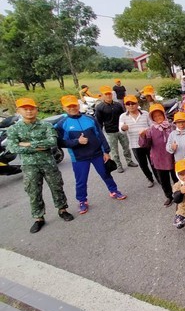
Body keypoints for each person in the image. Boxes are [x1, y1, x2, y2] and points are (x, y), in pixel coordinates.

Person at [7, 98, 74, 232]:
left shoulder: (46, 125)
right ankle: (38, 218)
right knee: (33, 191)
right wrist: (37, 145)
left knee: (56, 187)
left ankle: (62, 210)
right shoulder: (14, 129)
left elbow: (52, 142)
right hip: (29, 166)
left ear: (36, 110)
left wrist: (26, 143)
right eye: (25, 109)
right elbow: (13, 147)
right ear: (18, 111)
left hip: (48, 163)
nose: (29, 111)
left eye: (31, 108)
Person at [55, 95, 127, 215]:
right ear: (64, 108)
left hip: (97, 154)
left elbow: (100, 135)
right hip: (79, 158)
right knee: (81, 180)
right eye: (69, 106)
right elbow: (59, 142)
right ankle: (82, 201)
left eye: (74, 105)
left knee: (106, 174)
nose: (72, 108)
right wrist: (77, 142)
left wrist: (106, 151)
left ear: (78, 105)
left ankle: (114, 191)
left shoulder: (89, 119)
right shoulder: (62, 124)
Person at [139, 103, 176, 207]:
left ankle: (179, 195)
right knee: (164, 180)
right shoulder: (150, 130)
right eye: (155, 116)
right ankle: (169, 196)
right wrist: (142, 136)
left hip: (173, 157)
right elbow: (145, 145)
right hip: (159, 158)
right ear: (152, 118)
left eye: (160, 115)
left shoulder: (172, 126)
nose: (158, 118)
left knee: (176, 177)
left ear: (164, 115)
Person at [95, 86, 137, 173]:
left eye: (109, 94)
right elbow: (99, 122)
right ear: (102, 95)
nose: (108, 96)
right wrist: (99, 134)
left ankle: (129, 161)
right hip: (110, 132)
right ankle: (118, 165)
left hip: (121, 130)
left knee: (126, 147)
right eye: (106, 94)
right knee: (114, 150)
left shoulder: (118, 104)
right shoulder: (99, 107)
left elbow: (124, 116)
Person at [119, 95, 156, 188]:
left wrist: (145, 131)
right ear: (125, 105)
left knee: (153, 162)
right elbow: (121, 130)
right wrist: (123, 128)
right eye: (128, 104)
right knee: (143, 164)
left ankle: (159, 177)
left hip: (148, 143)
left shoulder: (145, 113)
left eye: (133, 103)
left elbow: (152, 126)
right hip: (135, 144)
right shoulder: (123, 116)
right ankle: (149, 178)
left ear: (137, 104)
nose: (131, 105)